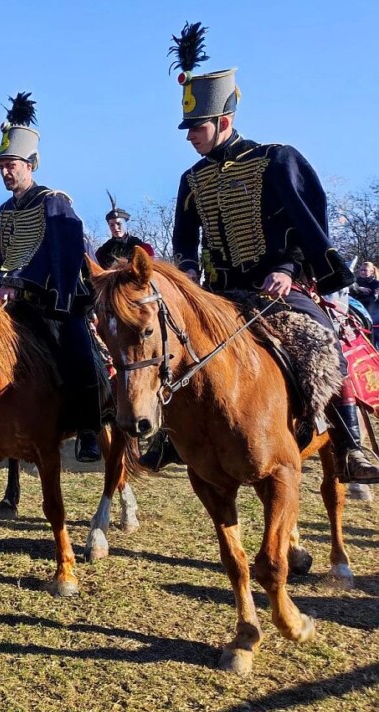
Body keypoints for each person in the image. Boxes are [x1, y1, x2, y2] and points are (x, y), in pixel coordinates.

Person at [143, 21, 379, 484]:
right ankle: (173, 436)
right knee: (176, 349)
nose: (189, 135)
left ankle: (351, 443)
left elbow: (307, 223)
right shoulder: (190, 180)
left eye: (197, 126)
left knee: (322, 337)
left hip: (276, 286)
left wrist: (289, 269)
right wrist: (188, 273)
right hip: (222, 291)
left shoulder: (275, 159)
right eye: (188, 126)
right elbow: (184, 241)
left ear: (223, 121)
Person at [0, 92, 103, 462]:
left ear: (31, 164)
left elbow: (62, 256)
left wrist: (17, 283)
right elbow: (6, 256)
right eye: (2, 165)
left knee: (79, 354)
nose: (6, 171)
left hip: (58, 301)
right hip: (16, 303)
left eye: (13, 164)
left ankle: (91, 427)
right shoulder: (5, 210)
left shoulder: (54, 201)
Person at [95, 193, 155, 269]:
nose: (115, 228)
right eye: (112, 225)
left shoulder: (143, 248)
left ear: (126, 224)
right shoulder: (103, 252)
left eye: (118, 223)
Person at [349, 262, 379, 329]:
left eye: (365, 270)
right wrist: (358, 289)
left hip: (372, 316)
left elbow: (373, 299)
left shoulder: (376, 284)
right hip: (355, 315)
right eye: (361, 270)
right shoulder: (355, 282)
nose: (362, 272)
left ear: (371, 271)